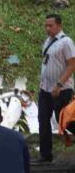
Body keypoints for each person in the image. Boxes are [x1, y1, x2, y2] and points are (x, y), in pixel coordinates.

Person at [36, 14, 75, 163]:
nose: (47, 28)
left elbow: (72, 65)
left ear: (59, 25)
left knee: (66, 121)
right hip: (45, 89)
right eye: (46, 25)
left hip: (62, 90)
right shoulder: (48, 41)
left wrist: (59, 85)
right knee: (43, 120)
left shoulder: (66, 42)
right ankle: (45, 154)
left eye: (50, 26)